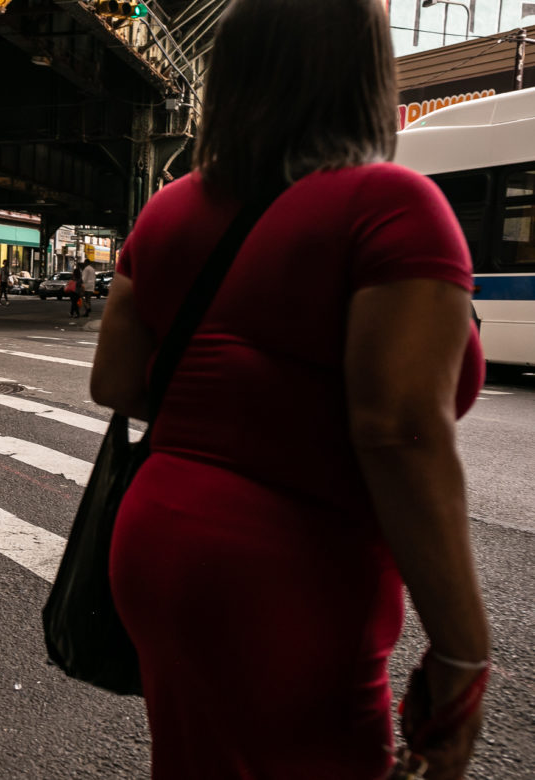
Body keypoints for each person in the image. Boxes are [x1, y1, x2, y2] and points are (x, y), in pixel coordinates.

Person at [89, 2, 490, 778]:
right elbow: (401, 431)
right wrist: (463, 653)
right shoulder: (394, 207)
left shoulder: (168, 210)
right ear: (368, 76)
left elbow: (114, 381)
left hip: (156, 545)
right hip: (293, 570)